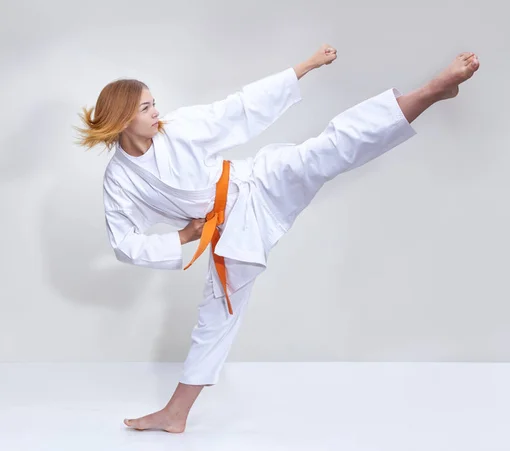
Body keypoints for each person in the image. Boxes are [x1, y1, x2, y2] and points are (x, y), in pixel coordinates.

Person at [75, 44, 480, 433]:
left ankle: (429, 92)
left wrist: (303, 67)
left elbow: (235, 109)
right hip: (229, 231)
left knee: (326, 150)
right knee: (215, 319)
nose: (156, 111)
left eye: (153, 103)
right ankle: (175, 414)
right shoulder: (120, 181)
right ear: (124, 118)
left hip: (254, 180)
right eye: (146, 107)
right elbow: (124, 243)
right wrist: (183, 235)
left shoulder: (174, 129)